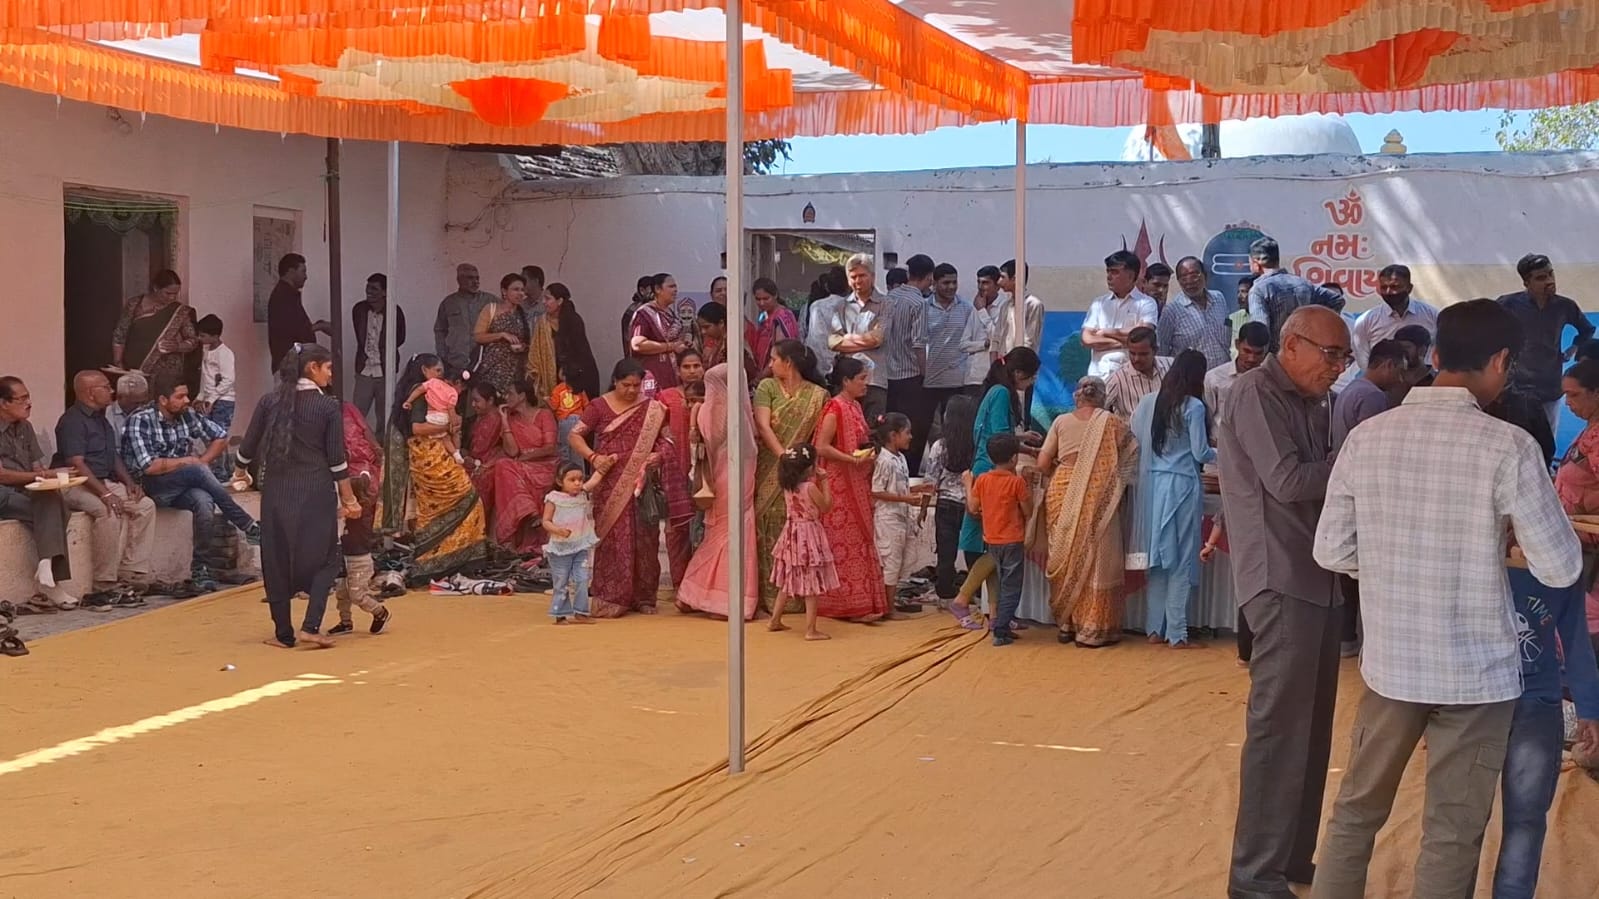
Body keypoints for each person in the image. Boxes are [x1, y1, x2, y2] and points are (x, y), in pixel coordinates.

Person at [1309, 299, 1584, 899]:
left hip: (1393, 665)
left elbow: (1330, 550)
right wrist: (1496, 547)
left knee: (1356, 813)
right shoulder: (1509, 447)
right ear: (1503, 361)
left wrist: (1395, 565)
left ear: (1434, 355)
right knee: (1453, 833)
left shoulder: (1367, 440)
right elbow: (1561, 567)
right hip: (1477, 676)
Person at [1219, 306, 1350, 899]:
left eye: (1345, 357)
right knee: (1278, 732)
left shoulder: (1314, 402)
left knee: (1312, 730)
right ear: (1292, 345)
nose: (1338, 368)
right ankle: (1255, 877)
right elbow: (1289, 481)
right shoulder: (1255, 392)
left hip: (1319, 576)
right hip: (1281, 578)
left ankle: (1291, 857)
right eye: (1331, 355)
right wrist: (1354, 461)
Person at [1486, 360, 1599, 899]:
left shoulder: (1555, 568)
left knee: (1516, 817)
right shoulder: (1490, 562)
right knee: (1484, 818)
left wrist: (1591, 711)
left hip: (1521, 702)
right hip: (1493, 700)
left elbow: (1576, 642)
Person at [234, 343, 361, 650]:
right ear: (312, 368)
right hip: (315, 491)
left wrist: (240, 473)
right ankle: (311, 626)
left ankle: (283, 634)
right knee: (326, 559)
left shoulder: (269, 401)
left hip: (276, 493)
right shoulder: (327, 407)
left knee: (276, 559)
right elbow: (337, 461)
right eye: (328, 368)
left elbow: (247, 448)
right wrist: (350, 500)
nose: (330, 375)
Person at [567, 359, 689, 617]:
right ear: (615, 381)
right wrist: (593, 458)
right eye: (626, 385)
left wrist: (658, 455)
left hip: (642, 483)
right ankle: (611, 596)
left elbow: (667, 440)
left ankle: (643, 597)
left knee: (645, 539)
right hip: (610, 482)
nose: (632, 390)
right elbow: (574, 435)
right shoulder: (598, 406)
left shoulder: (652, 409)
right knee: (614, 539)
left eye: (636, 385)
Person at [124, 376, 260, 593]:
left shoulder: (186, 416)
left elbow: (220, 437)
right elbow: (148, 466)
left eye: (187, 395)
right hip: (152, 486)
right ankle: (246, 524)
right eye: (180, 397)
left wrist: (202, 462)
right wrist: (189, 462)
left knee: (204, 501)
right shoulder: (140, 420)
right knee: (196, 469)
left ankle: (200, 569)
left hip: (182, 484)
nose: (187, 401)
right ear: (163, 400)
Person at [1039, 375, 1138, 647]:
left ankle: (1066, 625)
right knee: (1097, 560)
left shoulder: (1061, 422)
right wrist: (1103, 479)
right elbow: (1131, 456)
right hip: (1099, 495)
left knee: (1066, 554)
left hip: (1061, 491)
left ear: (1076, 396)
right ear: (1103, 397)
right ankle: (1092, 629)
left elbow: (1043, 463)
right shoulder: (1113, 423)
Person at [1129, 350, 1215, 648]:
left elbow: (1135, 435)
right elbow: (1201, 452)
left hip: (1153, 484)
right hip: (1182, 485)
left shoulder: (1149, 401)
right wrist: (1229, 454)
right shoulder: (1194, 406)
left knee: (1158, 559)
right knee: (1181, 558)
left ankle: (1154, 629)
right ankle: (1177, 634)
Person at [377, 355, 488, 580]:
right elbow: (417, 429)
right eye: (437, 370)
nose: (440, 375)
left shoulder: (432, 391)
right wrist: (447, 426)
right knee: (467, 498)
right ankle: (437, 561)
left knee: (438, 508)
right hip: (428, 457)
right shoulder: (421, 392)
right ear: (424, 370)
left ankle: (442, 560)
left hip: (434, 453)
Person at [55, 371, 157, 605]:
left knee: (145, 506)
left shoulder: (101, 419)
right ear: (91, 393)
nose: (111, 391)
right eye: (105, 387)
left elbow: (113, 457)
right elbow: (77, 464)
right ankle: (104, 582)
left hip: (100, 481)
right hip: (73, 483)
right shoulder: (72, 421)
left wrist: (129, 483)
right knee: (107, 511)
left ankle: (131, 572)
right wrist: (106, 494)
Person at [675, 363, 760, 621]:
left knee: (721, 533)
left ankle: (696, 594)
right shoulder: (732, 412)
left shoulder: (707, 409)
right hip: (733, 478)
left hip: (721, 478)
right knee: (733, 532)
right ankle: (720, 600)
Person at [958, 347, 1042, 607]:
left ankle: (995, 613)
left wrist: (1025, 445)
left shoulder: (996, 392)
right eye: (1031, 376)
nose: (1032, 382)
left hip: (986, 466)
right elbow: (1000, 436)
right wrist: (1025, 444)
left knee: (989, 546)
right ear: (1018, 373)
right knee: (998, 546)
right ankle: (962, 598)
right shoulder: (1002, 394)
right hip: (992, 468)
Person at [753, 340, 829, 615]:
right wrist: (784, 456)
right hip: (770, 467)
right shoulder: (767, 387)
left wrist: (801, 465)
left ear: (789, 362)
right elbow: (762, 425)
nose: (770, 364)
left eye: (774, 359)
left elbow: (818, 438)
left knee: (795, 528)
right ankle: (768, 595)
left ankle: (798, 597)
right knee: (766, 521)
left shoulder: (818, 395)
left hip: (801, 472)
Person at [812, 356, 887, 621]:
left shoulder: (854, 406)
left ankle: (864, 603)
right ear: (846, 381)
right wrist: (851, 459)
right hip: (838, 485)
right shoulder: (835, 408)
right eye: (861, 379)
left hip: (857, 480)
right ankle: (844, 606)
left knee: (859, 541)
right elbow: (821, 447)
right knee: (843, 543)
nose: (866, 384)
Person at [0, 377, 79, 611]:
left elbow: (37, 466)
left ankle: (46, 566)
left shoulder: (25, 427)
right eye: (22, 399)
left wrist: (49, 477)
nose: (29, 403)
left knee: (53, 499)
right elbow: (2, 476)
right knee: (57, 510)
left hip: (24, 489)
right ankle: (51, 584)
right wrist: (44, 475)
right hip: (3, 492)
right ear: (3, 403)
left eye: (28, 397)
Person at [1498, 253, 1596, 434]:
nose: (1550, 281)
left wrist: (1573, 348)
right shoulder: (1508, 304)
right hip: (1517, 387)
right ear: (1526, 283)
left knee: (1548, 438)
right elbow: (1488, 331)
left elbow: (1587, 330)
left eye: (1551, 274)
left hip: (1550, 386)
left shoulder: (1565, 306)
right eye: (1541, 278)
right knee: (1517, 436)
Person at [472, 379, 560, 554]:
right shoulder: (511, 419)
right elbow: (512, 451)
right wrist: (505, 420)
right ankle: (529, 512)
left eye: (510, 393)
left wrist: (526, 457)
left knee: (506, 466)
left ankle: (527, 513)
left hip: (544, 465)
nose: (506, 397)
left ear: (522, 396)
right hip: (521, 465)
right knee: (503, 464)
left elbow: (550, 447)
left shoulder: (544, 415)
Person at [328, 401, 389, 636]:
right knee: (342, 592)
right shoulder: (351, 508)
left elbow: (344, 513)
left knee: (357, 594)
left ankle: (379, 611)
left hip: (359, 560)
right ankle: (345, 621)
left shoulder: (358, 512)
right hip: (346, 557)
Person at [965, 433, 1031, 646]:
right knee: (1012, 586)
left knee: (1001, 582)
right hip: (1013, 539)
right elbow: (1028, 511)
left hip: (992, 539)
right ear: (1014, 458)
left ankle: (1001, 624)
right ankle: (1001, 629)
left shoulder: (983, 480)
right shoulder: (1016, 482)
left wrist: (967, 485)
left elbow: (973, 507)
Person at [767, 443, 836, 641]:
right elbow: (826, 506)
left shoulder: (788, 487)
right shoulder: (810, 487)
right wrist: (825, 481)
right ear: (809, 468)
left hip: (792, 533)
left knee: (787, 579)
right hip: (809, 535)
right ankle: (810, 630)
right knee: (811, 582)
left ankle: (774, 620)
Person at [923, 394, 978, 609]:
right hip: (970, 504)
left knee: (946, 553)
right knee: (974, 552)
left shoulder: (940, 445)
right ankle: (975, 593)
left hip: (945, 504)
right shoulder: (977, 445)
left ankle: (945, 594)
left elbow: (930, 480)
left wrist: (924, 508)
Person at [657, 350, 706, 590]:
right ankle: (680, 584)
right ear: (678, 370)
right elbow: (656, 430)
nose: (692, 371)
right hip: (674, 472)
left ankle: (700, 585)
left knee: (704, 528)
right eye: (686, 366)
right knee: (676, 529)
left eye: (696, 365)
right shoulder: (666, 397)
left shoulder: (713, 394)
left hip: (705, 473)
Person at [1246, 237, 1346, 353]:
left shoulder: (1259, 290)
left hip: (1276, 357)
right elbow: (1337, 300)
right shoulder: (1304, 284)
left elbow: (1260, 331)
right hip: (1304, 354)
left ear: (1256, 263)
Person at [870, 413, 926, 615]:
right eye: (907, 433)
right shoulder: (884, 460)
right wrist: (905, 499)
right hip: (888, 519)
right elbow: (876, 491)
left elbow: (898, 486)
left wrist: (917, 490)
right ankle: (888, 607)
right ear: (893, 435)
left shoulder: (900, 458)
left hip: (902, 516)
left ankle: (890, 601)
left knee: (904, 559)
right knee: (891, 562)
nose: (910, 437)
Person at [111, 269, 200, 393]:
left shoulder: (180, 311)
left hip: (166, 374)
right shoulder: (134, 305)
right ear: (156, 288)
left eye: (175, 294)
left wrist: (177, 346)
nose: (172, 297)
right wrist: (118, 362)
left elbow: (193, 340)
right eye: (167, 293)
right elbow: (120, 334)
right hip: (135, 367)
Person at [830, 254, 891, 424]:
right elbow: (833, 342)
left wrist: (847, 339)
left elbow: (878, 339)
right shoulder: (841, 305)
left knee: (873, 429)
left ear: (873, 276)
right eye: (853, 277)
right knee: (845, 426)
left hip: (874, 380)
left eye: (862, 275)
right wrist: (867, 340)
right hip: (846, 381)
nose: (858, 281)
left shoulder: (886, 304)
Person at [884, 254, 931, 474]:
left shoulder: (889, 297)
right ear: (929, 277)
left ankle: (888, 469)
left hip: (887, 375)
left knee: (890, 427)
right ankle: (908, 472)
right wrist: (924, 373)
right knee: (912, 429)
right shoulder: (918, 303)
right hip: (910, 375)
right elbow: (918, 344)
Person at [1081, 250, 1159, 379]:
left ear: (1131, 276)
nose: (1109, 277)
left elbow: (1144, 336)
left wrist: (1104, 332)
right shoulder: (1099, 303)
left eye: (1115, 272)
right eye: (1108, 271)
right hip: (1099, 375)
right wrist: (1126, 342)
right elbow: (1087, 339)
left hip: (1131, 377)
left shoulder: (1146, 303)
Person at [543, 462, 604, 625]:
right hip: (560, 549)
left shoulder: (582, 494)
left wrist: (605, 466)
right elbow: (546, 521)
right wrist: (558, 530)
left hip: (580, 547)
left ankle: (581, 612)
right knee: (561, 582)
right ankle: (560, 614)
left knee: (582, 579)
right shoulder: (553, 498)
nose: (577, 483)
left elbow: (595, 479)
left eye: (580, 479)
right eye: (572, 480)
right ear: (559, 481)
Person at [1348, 265, 1437, 375]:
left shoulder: (1431, 315)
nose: (1389, 292)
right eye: (1384, 287)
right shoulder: (1366, 320)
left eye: (1395, 287)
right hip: (1383, 382)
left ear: (1409, 288)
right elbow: (1362, 358)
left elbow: (1440, 350)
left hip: (1424, 380)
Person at [924, 262, 974, 444]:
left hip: (956, 380)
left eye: (954, 282)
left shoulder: (966, 308)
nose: (951, 287)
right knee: (929, 428)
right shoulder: (923, 308)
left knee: (955, 428)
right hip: (929, 380)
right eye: (946, 283)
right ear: (934, 283)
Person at [1330, 338, 1409, 451]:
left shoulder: (1352, 387)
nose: (1400, 379)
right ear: (1389, 365)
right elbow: (1372, 444)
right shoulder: (1372, 395)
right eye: (1400, 372)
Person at [351, 273, 406, 431]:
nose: (369, 292)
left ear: (384, 292)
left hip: (385, 370)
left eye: (374, 289)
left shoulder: (394, 310)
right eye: (368, 288)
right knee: (357, 413)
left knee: (385, 416)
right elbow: (359, 334)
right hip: (364, 369)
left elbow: (400, 338)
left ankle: (382, 444)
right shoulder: (359, 309)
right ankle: (355, 443)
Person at [1159, 256, 1233, 368]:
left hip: (1223, 373)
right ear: (1178, 281)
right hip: (1191, 376)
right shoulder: (1171, 311)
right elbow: (1162, 352)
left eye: (1194, 275)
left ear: (1205, 275)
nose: (1189, 281)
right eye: (1183, 278)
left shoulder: (1219, 298)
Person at [1204, 321, 1270, 437]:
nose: (1251, 358)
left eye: (1258, 353)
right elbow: (1206, 417)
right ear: (1237, 344)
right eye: (1247, 351)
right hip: (1220, 442)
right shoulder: (1214, 377)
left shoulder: (1269, 380)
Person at [630, 273, 692, 394]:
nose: (675, 290)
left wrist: (683, 343)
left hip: (673, 376)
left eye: (676, 287)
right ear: (658, 289)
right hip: (654, 376)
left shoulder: (670, 313)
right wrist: (671, 347)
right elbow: (637, 344)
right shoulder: (645, 313)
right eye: (671, 286)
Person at [193, 314, 237, 481]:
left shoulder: (225, 353)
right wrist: (201, 396)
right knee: (209, 435)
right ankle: (220, 470)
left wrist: (212, 399)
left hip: (223, 401)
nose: (200, 339)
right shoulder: (207, 351)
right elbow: (206, 379)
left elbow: (228, 379)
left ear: (215, 336)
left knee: (218, 437)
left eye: (203, 335)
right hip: (209, 399)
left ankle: (221, 474)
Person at [471, 272, 531, 395]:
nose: (520, 293)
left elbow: (526, 340)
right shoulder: (491, 309)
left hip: (516, 370)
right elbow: (478, 336)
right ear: (504, 291)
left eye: (522, 290)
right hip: (492, 369)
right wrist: (501, 335)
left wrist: (523, 347)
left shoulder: (523, 314)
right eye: (515, 289)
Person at [266, 254, 331, 365]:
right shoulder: (283, 296)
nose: (306, 277)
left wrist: (318, 325)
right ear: (291, 272)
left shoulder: (288, 294)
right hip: (290, 364)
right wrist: (320, 326)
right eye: (303, 271)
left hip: (293, 362)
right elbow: (293, 330)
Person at [435, 263, 497, 377]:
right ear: (459, 280)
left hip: (484, 362)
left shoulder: (490, 301)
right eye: (470, 278)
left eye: (477, 278)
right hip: (455, 362)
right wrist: (443, 355)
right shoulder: (449, 303)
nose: (475, 282)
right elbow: (440, 330)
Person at [542, 282, 599, 402]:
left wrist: (566, 369)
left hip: (577, 374)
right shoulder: (543, 322)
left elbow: (578, 351)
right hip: (554, 373)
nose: (544, 302)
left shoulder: (573, 320)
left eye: (547, 299)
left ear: (559, 301)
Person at [1103, 326, 1170, 420]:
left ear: (1155, 351)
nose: (1136, 359)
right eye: (1132, 353)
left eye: (1143, 354)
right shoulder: (1117, 379)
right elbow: (1095, 410)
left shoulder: (1170, 366)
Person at [962, 265, 1003, 397]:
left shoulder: (1004, 307)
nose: (980, 287)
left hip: (991, 376)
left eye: (985, 283)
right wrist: (983, 344)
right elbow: (963, 345)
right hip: (972, 376)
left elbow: (997, 337)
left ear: (997, 285)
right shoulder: (975, 309)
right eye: (978, 282)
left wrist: (982, 311)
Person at [805, 266, 848, 382]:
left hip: (819, 367)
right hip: (846, 367)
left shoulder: (817, 306)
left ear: (827, 286)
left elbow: (817, 340)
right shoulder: (852, 307)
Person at [994, 259, 1046, 355]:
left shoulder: (1033, 305)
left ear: (1014, 279)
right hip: (1003, 361)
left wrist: (1016, 361)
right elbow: (997, 337)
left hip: (1021, 361)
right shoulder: (1005, 306)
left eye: (1002, 277)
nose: (999, 282)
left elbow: (1029, 341)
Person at [748, 277, 799, 373]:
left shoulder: (782, 317)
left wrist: (761, 377)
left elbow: (780, 353)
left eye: (766, 298)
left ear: (775, 295)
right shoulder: (764, 315)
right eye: (758, 299)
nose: (762, 303)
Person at [108, 372, 149, 449]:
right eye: (136, 403)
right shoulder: (106, 414)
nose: (140, 407)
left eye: (143, 402)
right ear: (119, 397)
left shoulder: (148, 412)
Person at [621, 275, 654, 358]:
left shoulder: (653, 308)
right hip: (640, 358)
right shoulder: (635, 311)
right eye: (652, 289)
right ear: (642, 290)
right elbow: (630, 340)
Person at [1230, 275, 1255, 353]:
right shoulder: (1230, 318)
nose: (1239, 296)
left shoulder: (1263, 317)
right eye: (1238, 292)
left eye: (1244, 292)